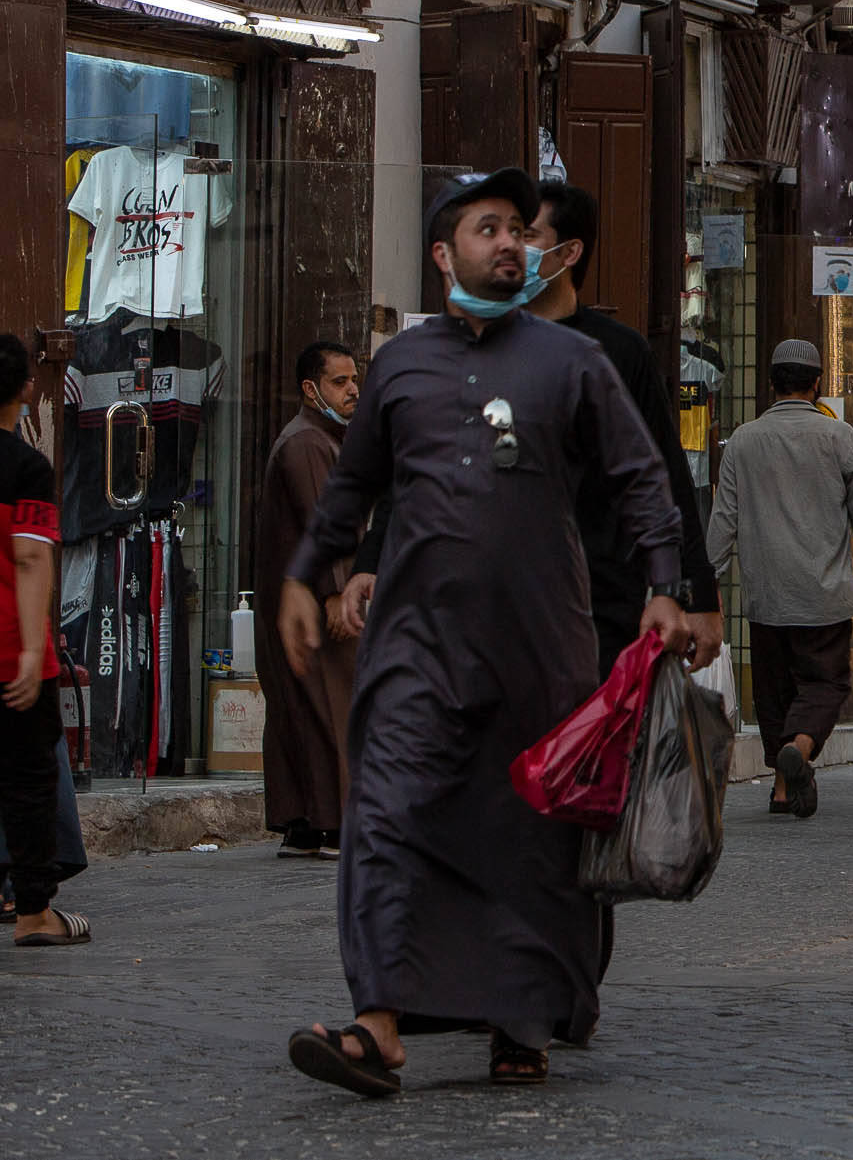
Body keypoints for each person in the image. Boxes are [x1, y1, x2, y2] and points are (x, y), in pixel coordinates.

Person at [280, 170, 690, 1095]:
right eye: (486, 227)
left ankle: (522, 1018)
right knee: (385, 813)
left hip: (540, 643)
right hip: (416, 645)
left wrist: (666, 586)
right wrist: (309, 574)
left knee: (526, 833)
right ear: (443, 253)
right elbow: (353, 491)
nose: (509, 242)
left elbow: (641, 479)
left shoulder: (572, 363)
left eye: (518, 230)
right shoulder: (399, 364)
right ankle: (377, 1023)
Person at [523, 182, 724, 679]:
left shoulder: (616, 353)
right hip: (503, 606)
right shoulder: (477, 348)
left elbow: (666, 473)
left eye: (527, 235)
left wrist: (692, 590)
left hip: (602, 599)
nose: (510, 249)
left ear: (569, 252)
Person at [706, 339, 853, 819]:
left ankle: (783, 789)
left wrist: (707, 581)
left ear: (770, 384)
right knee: (824, 683)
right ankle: (801, 747)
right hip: (823, 593)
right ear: (817, 383)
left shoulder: (743, 440)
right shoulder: (838, 436)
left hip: (766, 595)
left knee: (774, 690)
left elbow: (722, 519)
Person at [256, 341, 364, 858]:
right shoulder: (306, 444)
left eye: (354, 381)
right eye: (340, 383)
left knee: (302, 711)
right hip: (313, 604)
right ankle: (330, 824)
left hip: (298, 601)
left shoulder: (322, 439)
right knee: (327, 709)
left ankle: (302, 822)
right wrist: (337, 592)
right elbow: (324, 526)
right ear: (310, 389)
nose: (352, 391)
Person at [2, 331, 87, 950]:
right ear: (27, 390)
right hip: (10, 651)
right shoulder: (26, 468)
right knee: (30, 779)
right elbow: (31, 562)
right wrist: (35, 651)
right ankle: (34, 912)